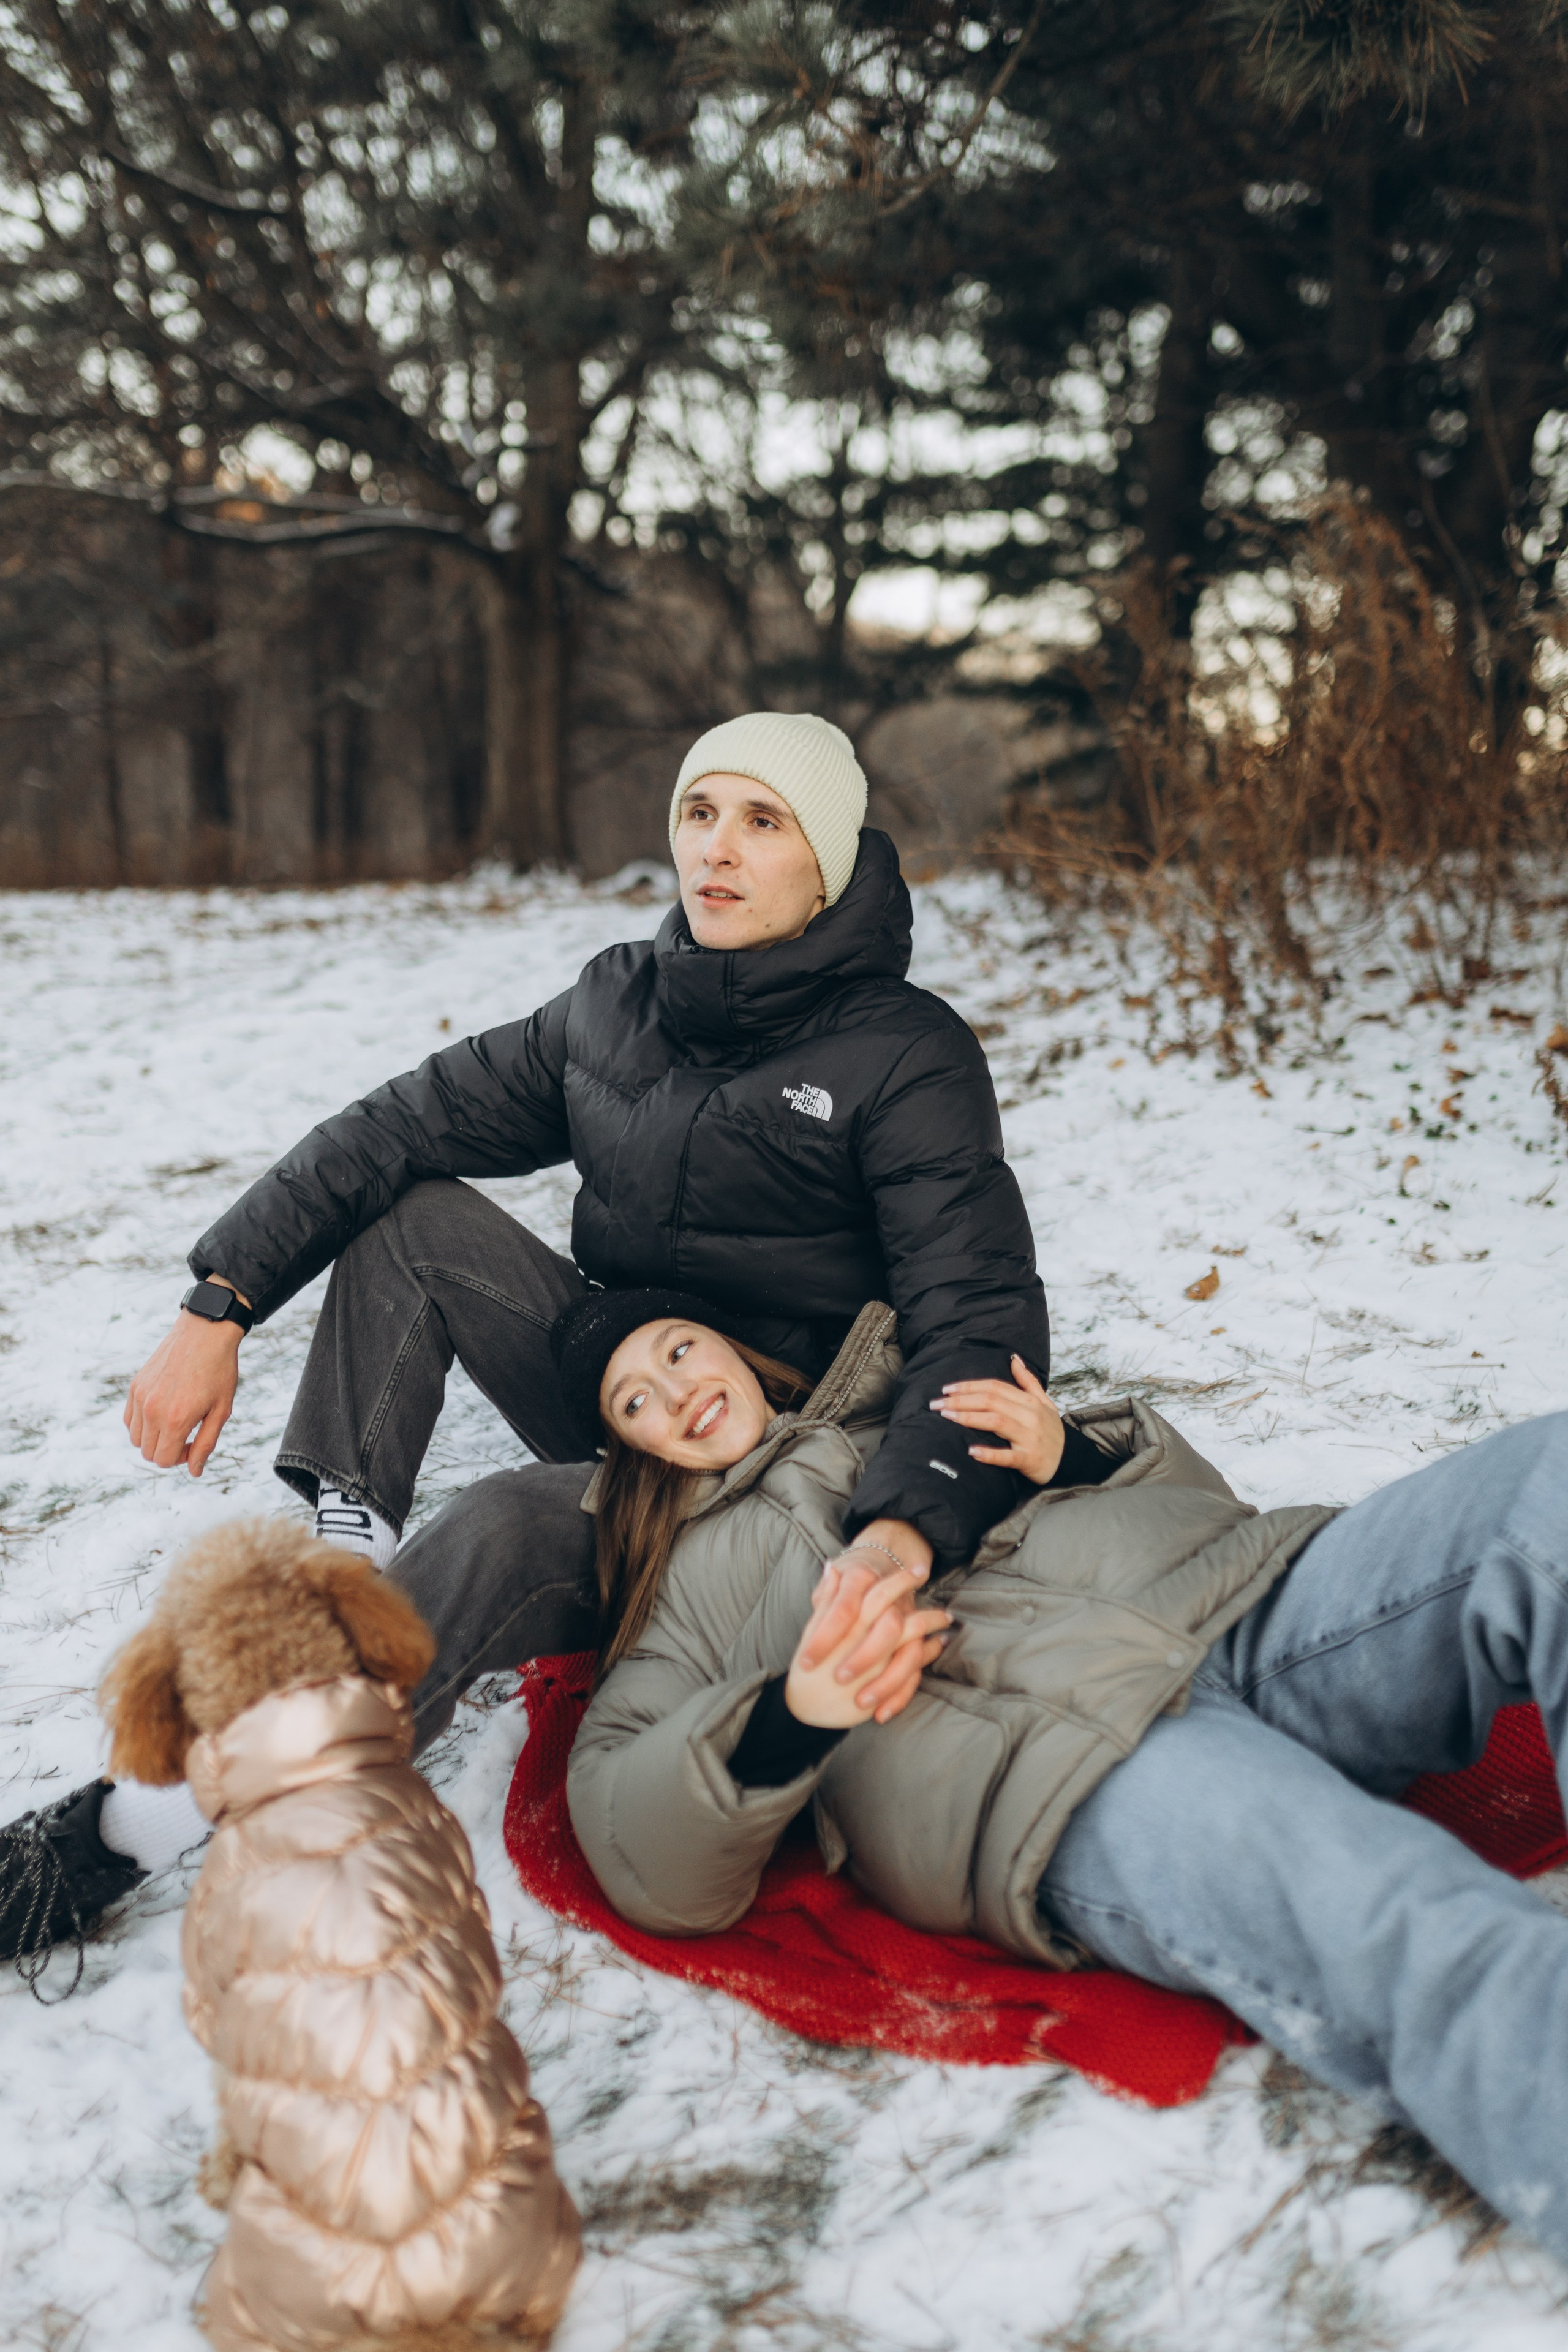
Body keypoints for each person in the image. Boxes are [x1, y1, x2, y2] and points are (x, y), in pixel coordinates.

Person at [3, 709, 1072, 1987]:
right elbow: (400, 1124)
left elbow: (975, 1306)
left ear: (826, 861)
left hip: (762, 1460)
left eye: (761, 821)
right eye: (698, 812)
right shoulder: (618, 1004)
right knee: (413, 1220)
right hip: (624, 1385)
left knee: (506, 1527)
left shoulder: (904, 1054)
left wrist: (906, 1520)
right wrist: (218, 1299)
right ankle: (356, 1574)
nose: (715, 850)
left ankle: (143, 1821)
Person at [563, 1291, 1568, 2258]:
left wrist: (1070, 1453)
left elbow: (1199, 1504)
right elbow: (636, 1841)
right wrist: (797, 1711)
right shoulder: (676, 1594)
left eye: (677, 1348)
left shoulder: (905, 1402)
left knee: (1547, 1487)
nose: (674, 1390)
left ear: (729, 1345)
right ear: (630, 1448)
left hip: (1239, 1602)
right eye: (635, 1400)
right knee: (1395, 1908)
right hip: (1061, 1764)